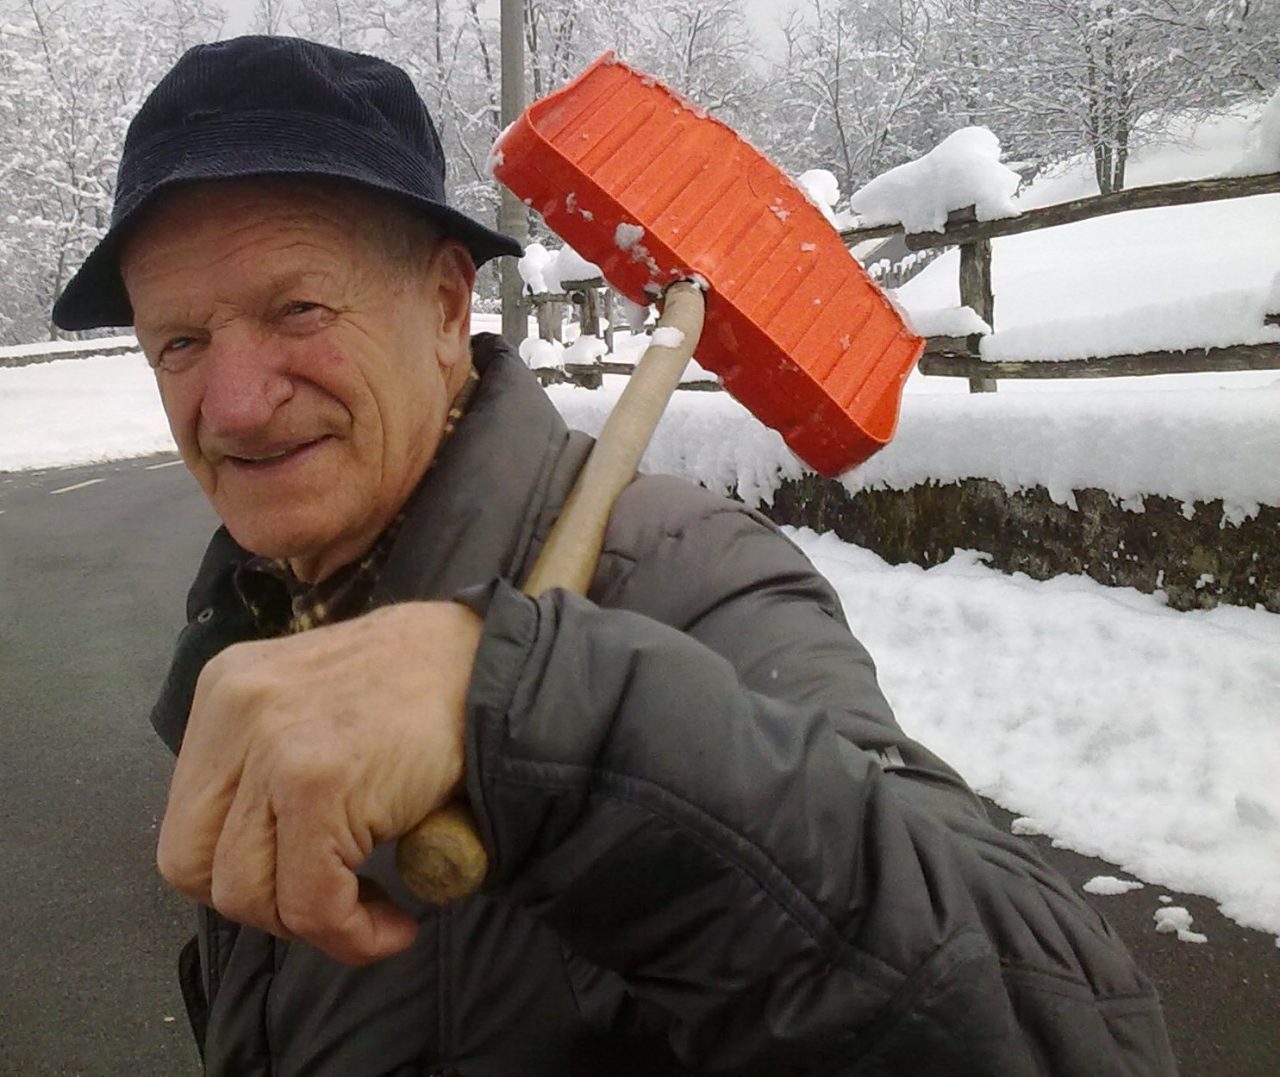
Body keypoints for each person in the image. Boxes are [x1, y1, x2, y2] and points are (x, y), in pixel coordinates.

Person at [54, 35, 1176, 1076]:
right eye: (180, 341)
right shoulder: (260, 610)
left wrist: (547, 718)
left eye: (298, 309)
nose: (234, 404)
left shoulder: (686, 574)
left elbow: (1066, 1031)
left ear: (444, 306)